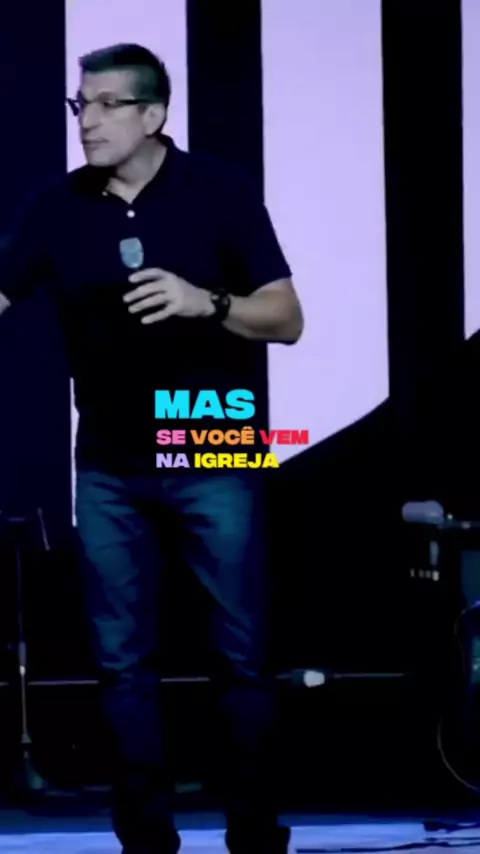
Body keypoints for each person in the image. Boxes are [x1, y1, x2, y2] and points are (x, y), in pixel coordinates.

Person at [0, 44, 303, 854]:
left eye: (106, 105)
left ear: (153, 114)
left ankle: (255, 831)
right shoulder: (59, 205)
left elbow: (287, 319)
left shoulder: (219, 192)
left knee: (241, 653)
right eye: (80, 105)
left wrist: (207, 302)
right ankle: (145, 837)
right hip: (109, 460)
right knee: (121, 662)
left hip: (212, 437)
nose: (87, 122)